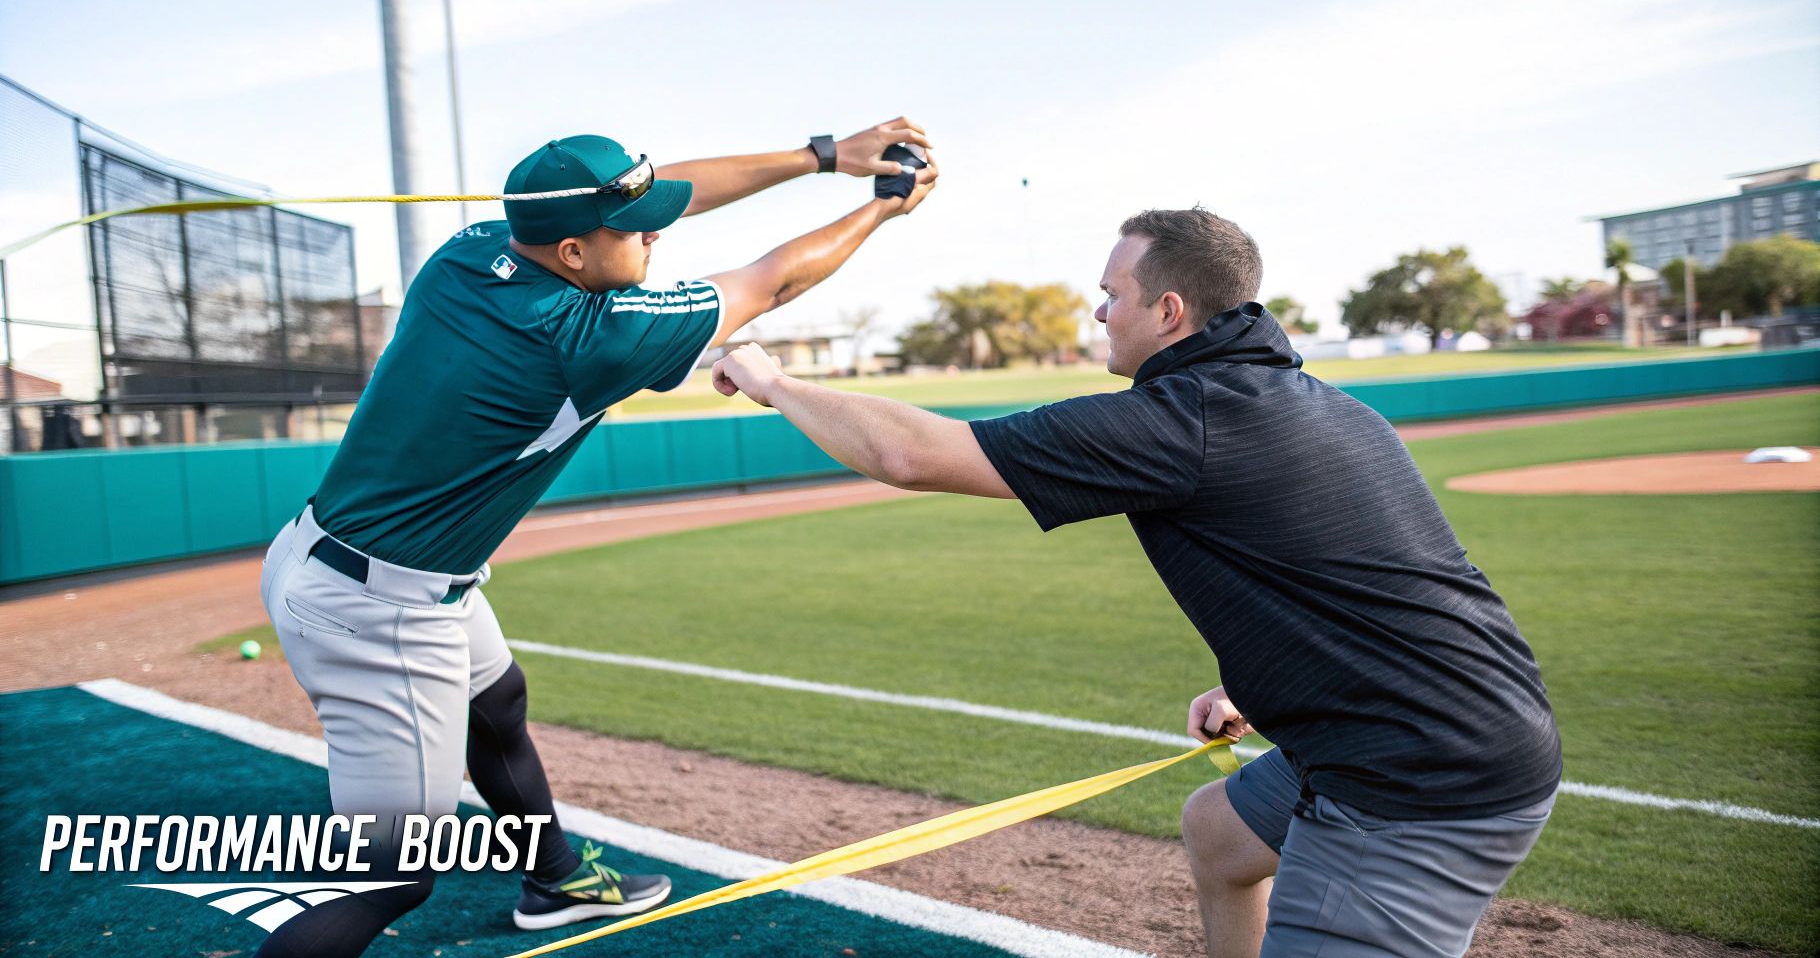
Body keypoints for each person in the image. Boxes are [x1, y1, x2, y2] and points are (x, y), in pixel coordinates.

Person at [708, 206, 1561, 958]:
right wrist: (1262, 681)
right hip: (1458, 727)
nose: (1098, 311)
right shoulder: (1318, 402)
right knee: (1220, 832)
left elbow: (908, 455)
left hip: (1416, 777)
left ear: (1168, 310)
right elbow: (1366, 579)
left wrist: (771, 380)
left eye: (1111, 294)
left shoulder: (1183, 418)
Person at [255, 120, 939, 957]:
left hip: (346, 556)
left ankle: (555, 880)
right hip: (378, 611)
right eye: (634, 228)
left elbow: (647, 194)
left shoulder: (472, 251)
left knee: (497, 703)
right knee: (393, 878)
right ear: (574, 252)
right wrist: (881, 207)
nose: (655, 233)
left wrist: (822, 157)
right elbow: (772, 282)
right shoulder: (592, 338)